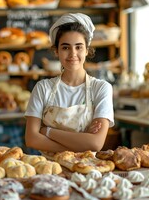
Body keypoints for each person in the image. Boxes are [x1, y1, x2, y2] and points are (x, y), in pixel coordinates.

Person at [25, 13, 114, 154]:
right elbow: (32, 139)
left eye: (78, 47)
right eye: (65, 47)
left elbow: (96, 144)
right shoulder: (43, 88)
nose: (73, 54)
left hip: (86, 169)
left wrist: (47, 131)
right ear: (56, 51)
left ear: (87, 50)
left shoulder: (101, 88)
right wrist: (81, 142)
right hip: (49, 169)